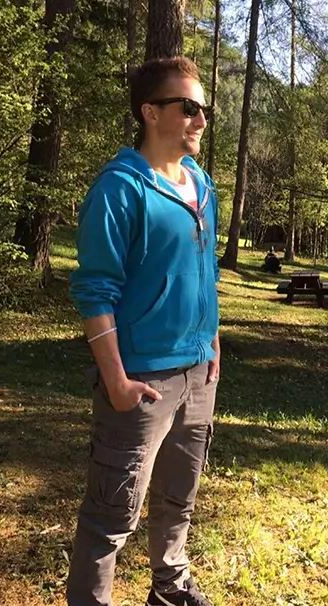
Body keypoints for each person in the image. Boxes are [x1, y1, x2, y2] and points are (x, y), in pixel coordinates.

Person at [66, 56, 219, 606]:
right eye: (189, 107)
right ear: (151, 112)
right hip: (142, 380)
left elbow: (206, 274)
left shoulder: (202, 186)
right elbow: (94, 291)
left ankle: (170, 588)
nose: (201, 118)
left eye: (205, 108)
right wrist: (116, 381)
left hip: (199, 374)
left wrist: (212, 347)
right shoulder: (119, 188)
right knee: (112, 513)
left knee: (179, 497)